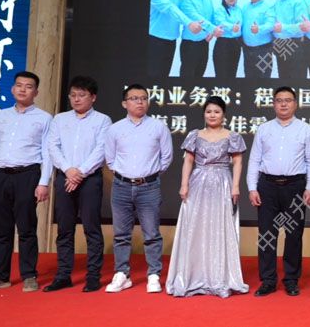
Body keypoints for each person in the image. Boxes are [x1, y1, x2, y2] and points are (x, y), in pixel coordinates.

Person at [0, 71, 52, 293]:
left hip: (27, 175)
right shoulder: (1, 116)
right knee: (1, 228)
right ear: (12, 89)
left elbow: (48, 153)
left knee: (27, 228)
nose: (22, 89)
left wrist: (44, 182)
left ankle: (29, 275)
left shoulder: (44, 118)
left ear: (36, 92)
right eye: (19, 85)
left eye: (28, 86)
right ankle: (0, 275)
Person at [166, 96, 248, 298]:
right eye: (209, 111)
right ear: (204, 113)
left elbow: (238, 162)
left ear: (224, 114)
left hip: (223, 183)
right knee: (195, 226)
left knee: (219, 227)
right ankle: (193, 275)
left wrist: (235, 186)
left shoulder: (232, 136)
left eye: (217, 112)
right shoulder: (195, 135)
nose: (212, 115)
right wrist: (184, 184)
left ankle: (219, 277)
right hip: (198, 183)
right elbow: (188, 161)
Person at [247, 86, 310, 297]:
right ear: (273, 104)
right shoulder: (264, 129)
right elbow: (254, 160)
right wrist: (252, 188)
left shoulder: (305, 129)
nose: (284, 104)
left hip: (295, 186)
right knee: (266, 234)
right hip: (267, 186)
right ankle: (268, 280)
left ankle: (291, 279)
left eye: (288, 100)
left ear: (295, 104)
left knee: (294, 234)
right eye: (279, 100)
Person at [43, 76, 111, 293]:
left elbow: (101, 150)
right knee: (64, 228)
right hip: (65, 176)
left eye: (81, 95)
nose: (76, 99)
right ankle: (63, 275)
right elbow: (52, 147)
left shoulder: (103, 120)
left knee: (91, 228)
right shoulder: (60, 119)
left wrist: (80, 173)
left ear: (93, 97)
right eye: (73, 95)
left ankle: (93, 276)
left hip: (90, 179)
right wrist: (68, 170)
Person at [104, 84, 173, 293]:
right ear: (124, 103)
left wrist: (148, 176)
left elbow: (166, 158)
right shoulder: (115, 129)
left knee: (151, 233)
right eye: (134, 98)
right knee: (121, 234)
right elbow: (110, 159)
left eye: (143, 98)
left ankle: (153, 275)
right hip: (121, 186)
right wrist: (126, 175)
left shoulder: (158, 127)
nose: (140, 102)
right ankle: (122, 274)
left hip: (149, 186)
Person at [148, 0, 202, 77]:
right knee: (153, 75)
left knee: (164, 75)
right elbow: (171, 9)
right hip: (155, 40)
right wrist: (190, 23)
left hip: (172, 41)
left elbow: (184, 13)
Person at [178, 0, 224, 77]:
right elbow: (196, 17)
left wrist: (211, 33)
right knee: (187, 76)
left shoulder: (208, 0)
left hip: (204, 43)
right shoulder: (186, 1)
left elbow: (212, 19)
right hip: (190, 44)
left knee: (200, 75)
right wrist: (213, 29)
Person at [271, 0, 310, 79]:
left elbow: (302, 26)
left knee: (297, 79)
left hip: (294, 45)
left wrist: (283, 27)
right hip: (280, 45)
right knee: (283, 78)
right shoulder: (277, 3)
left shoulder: (298, 1)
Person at [242, 0, 275, 79]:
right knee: (249, 79)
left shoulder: (268, 7)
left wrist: (259, 29)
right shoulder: (245, 7)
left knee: (264, 79)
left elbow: (271, 24)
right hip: (247, 50)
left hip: (263, 50)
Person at [211, 0, 244, 79]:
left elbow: (241, 25)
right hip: (223, 44)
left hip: (236, 44)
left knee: (232, 74)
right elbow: (221, 22)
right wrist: (232, 27)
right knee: (221, 75)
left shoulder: (239, 9)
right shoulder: (220, 9)